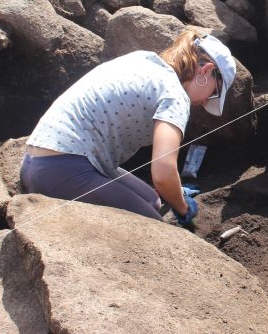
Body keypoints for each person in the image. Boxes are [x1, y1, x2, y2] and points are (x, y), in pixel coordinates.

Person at [20, 30, 236, 224]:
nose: (207, 102)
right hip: (61, 169)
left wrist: (174, 191)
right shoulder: (175, 96)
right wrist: (182, 207)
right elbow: (162, 172)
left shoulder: (144, 60)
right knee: (152, 228)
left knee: (152, 201)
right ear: (205, 71)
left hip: (38, 160)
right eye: (214, 93)